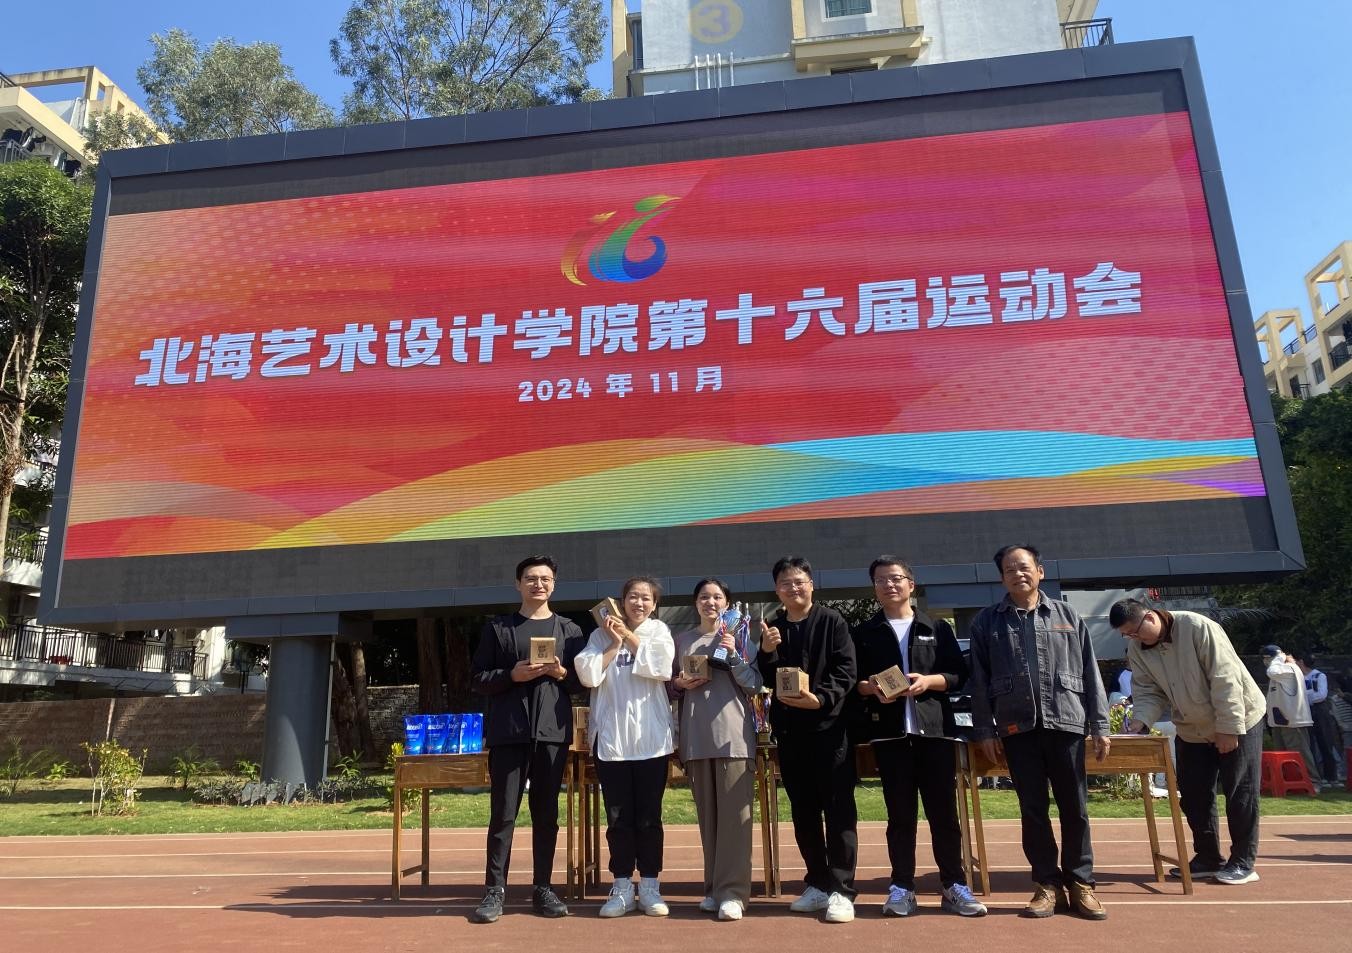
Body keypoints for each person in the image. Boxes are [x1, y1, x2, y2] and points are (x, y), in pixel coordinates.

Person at [967, 544, 1110, 921]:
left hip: (1066, 722)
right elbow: (978, 681)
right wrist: (985, 729)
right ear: (1002, 578)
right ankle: (1047, 884)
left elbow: (1090, 670)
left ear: (1040, 571)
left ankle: (1081, 884)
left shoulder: (1067, 615)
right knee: (1033, 810)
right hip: (1018, 728)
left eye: (1024, 567)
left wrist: (1100, 724)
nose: (1018, 574)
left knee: (1075, 808)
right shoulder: (986, 622)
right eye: (1009, 570)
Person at [852, 555, 986, 918]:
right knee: (900, 817)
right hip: (890, 736)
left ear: (911, 584)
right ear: (874, 588)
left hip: (935, 733)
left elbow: (958, 675)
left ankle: (954, 885)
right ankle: (901, 887)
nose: (889, 585)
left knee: (944, 815)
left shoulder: (936, 627)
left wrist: (929, 681)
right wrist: (871, 688)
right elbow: (855, 682)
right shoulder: (864, 632)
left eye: (896, 578)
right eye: (881, 580)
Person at [1109, 599, 1266, 885]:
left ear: (1150, 617)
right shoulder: (1137, 649)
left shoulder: (1197, 627)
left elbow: (1225, 678)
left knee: (1239, 792)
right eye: (1126, 635)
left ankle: (1243, 861)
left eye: (1134, 631)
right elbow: (1147, 690)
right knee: (1193, 795)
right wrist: (1140, 721)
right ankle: (1208, 857)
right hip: (1191, 728)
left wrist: (1229, 727)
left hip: (1239, 719)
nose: (1133, 639)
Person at [469, 555, 586, 923]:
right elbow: (477, 679)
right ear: (518, 584)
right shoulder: (498, 628)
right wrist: (511, 676)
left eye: (545, 579)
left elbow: (582, 683)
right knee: (503, 814)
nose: (539, 584)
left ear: (554, 584)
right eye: (531, 578)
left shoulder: (570, 630)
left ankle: (543, 888)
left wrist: (561, 672)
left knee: (546, 815)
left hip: (552, 733)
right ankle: (494, 890)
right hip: (508, 733)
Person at [757, 555, 858, 923]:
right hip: (790, 733)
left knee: (838, 809)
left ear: (812, 584)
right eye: (785, 583)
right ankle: (817, 882)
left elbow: (847, 670)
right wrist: (766, 651)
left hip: (829, 730)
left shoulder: (832, 620)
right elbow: (767, 676)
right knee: (803, 810)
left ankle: (842, 889)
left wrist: (821, 698)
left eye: (799, 581)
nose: (793, 588)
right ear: (777, 590)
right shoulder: (774, 627)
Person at [576, 576, 676, 918]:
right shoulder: (599, 636)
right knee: (617, 818)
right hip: (612, 741)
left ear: (654, 604)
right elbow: (588, 675)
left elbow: (661, 668)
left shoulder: (659, 631)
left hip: (651, 741)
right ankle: (620, 887)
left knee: (649, 817)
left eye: (646, 598)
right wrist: (613, 642)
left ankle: (649, 886)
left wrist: (628, 637)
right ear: (621, 601)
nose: (639, 603)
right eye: (633, 597)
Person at [671, 578, 764, 921]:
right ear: (695, 602)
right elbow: (669, 687)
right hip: (696, 738)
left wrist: (735, 655)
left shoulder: (741, 636)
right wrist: (679, 683)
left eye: (717, 597)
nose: (710, 602)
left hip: (733, 737)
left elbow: (755, 685)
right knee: (708, 820)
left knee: (735, 821)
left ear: (727, 603)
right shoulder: (681, 640)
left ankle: (733, 893)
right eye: (704, 597)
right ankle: (713, 889)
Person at [1262, 645, 1324, 788]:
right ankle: (1291, 783)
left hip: (1293, 721)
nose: (1266, 661)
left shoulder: (1289, 668)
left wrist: (1279, 657)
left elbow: (1272, 671)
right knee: (1282, 755)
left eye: (1268, 658)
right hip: (1280, 721)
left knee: (1300, 754)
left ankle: (1314, 782)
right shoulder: (1280, 670)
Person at [1292, 652, 1343, 787]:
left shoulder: (1319, 676)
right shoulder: (1299, 678)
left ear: (1301, 662)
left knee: (1325, 743)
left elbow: (1321, 695)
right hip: (1305, 712)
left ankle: (1331, 776)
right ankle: (1316, 776)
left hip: (1319, 712)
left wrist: (1305, 696)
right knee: (1310, 745)